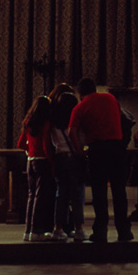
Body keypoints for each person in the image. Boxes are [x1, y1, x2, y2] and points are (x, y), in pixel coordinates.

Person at [69, 77, 133, 244]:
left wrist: (78, 151)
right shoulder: (110, 98)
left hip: (97, 150)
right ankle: (124, 231)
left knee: (99, 193)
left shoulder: (80, 107)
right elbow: (121, 117)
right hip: (117, 148)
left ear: (80, 92)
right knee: (119, 191)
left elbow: (72, 132)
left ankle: (101, 231)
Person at [48, 85, 86, 241]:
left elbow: (53, 142)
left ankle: (58, 228)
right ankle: (78, 229)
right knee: (77, 195)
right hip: (74, 158)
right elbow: (81, 140)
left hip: (60, 157)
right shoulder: (76, 123)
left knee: (61, 195)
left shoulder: (53, 123)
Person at [17, 94, 55, 241]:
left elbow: (20, 143)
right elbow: (46, 145)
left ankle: (28, 231)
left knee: (31, 196)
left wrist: (29, 151)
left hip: (30, 161)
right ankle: (37, 231)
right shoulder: (45, 123)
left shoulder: (28, 121)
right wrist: (52, 163)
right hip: (42, 162)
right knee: (41, 197)